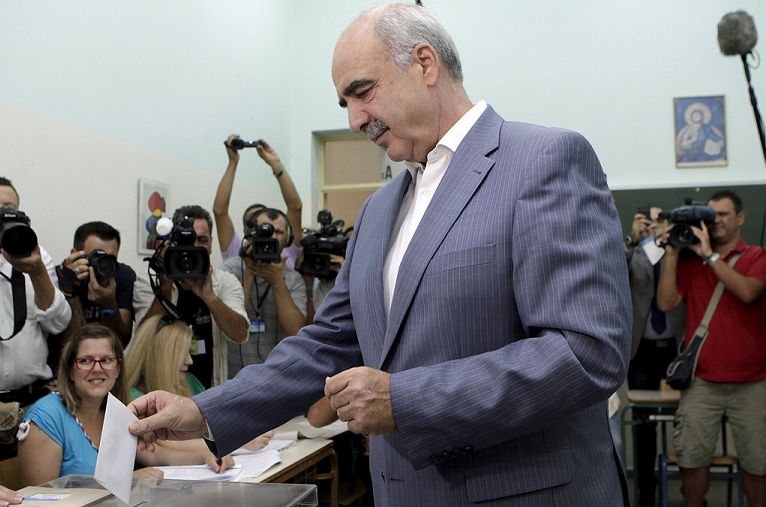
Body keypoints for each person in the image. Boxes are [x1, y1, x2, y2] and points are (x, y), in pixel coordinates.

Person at [128, 4, 631, 505]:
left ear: (425, 63)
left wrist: (406, 400)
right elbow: (328, 343)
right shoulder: (379, 210)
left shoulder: (542, 161)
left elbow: (586, 351)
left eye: (362, 92)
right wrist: (205, 412)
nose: (353, 120)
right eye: (343, 102)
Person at [657, 190, 766, 507]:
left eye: (724, 214)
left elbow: (749, 292)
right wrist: (671, 253)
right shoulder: (689, 259)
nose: (716, 220)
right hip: (702, 383)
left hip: (752, 383)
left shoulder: (759, 256)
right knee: (692, 459)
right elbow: (666, 303)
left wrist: (711, 257)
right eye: (711, 215)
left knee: (757, 462)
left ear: (740, 218)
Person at [17, 324, 233, 485]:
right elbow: (41, 497)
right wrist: (125, 482)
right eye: (85, 361)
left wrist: (207, 455)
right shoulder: (46, 415)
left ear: (118, 369)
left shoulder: (117, 410)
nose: (97, 368)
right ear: (70, 370)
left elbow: (155, 454)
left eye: (107, 360)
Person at [0, 176, 72, 469]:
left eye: (8, 207)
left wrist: (37, 271)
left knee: (37, 490)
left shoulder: (36, 254)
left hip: (32, 408)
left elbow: (59, 324)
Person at [125, 316, 272, 452]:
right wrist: (236, 439)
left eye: (189, 352)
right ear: (159, 356)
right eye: (181, 353)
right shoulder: (134, 399)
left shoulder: (190, 380)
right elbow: (162, 447)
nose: (190, 360)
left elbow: (214, 417)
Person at [142, 205, 249, 387]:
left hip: (210, 391)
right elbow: (143, 342)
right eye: (188, 240)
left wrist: (209, 296)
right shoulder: (149, 281)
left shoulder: (225, 282)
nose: (195, 246)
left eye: (202, 239)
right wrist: (165, 285)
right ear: (172, 243)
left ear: (211, 244)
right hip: (161, 390)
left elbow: (240, 334)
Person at [624, 205, 685, 506]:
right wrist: (635, 240)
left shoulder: (678, 249)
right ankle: (647, 493)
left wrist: (668, 241)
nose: (654, 225)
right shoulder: (635, 251)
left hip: (676, 348)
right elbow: (615, 272)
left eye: (661, 219)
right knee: (644, 427)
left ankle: (689, 488)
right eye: (648, 220)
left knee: (685, 422)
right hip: (642, 350)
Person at [221, 212, 307, 378]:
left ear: (287, 239)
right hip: (234, 378)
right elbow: (228, 322)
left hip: (278, 379)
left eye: (279, 232)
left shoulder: (293, 278)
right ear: (251, 234)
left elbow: (296, 331)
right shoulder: (231, 269)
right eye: (265, 231)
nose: (272, 237)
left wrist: (277, 283)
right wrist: (249, 273)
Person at [213, 134, 303, 271]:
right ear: (248, 231)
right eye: (262, 229)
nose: (271, 236)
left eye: (276, 230)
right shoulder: (237, 251)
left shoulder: (286, 251)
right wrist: (232, 162)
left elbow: (295, 208)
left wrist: (276, 165)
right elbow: (220, 212)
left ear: (287, 237)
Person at [58, 221, 136, 346]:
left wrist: (109, 304)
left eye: (110, 258)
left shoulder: (122, 275)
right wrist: (70, 291)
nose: (103, 264)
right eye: (96, 256)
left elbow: (121, 342)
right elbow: (69, 344)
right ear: (75, 253)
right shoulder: (60, 276)